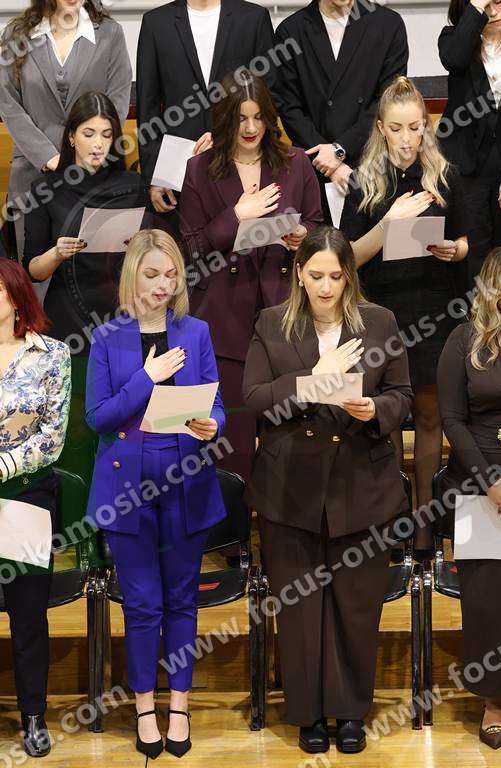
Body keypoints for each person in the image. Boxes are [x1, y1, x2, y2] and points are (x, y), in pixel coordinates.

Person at [242, 225, 412, 753]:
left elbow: (402, 395)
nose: (325, 287)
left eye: (336, 277)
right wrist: (315, 378)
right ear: (299, 274)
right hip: (290, 490)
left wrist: (375, 408)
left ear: (349, 278)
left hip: (362, 485)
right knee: (300, 611)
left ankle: (350, 712)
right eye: (316, 275)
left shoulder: (380, 321)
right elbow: (255, 398)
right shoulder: (271, 322)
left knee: (355, 608)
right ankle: (309, 714)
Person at [85, 228, 226, 761]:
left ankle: (179, 705)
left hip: (185, 478)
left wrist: (212, 424)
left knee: (181, 599)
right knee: (143, 603)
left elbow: (216, 404)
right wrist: (146, 378)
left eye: (171, 274)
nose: (163, 284)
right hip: (128, 486)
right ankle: (145, 706)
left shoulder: (197, 331)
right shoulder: (107, 337)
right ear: (133, 278)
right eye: (151, 274)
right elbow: (99, 417)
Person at [340, 75, 468, 551]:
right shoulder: (364, 181)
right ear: (380, 128)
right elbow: (346, 258)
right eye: (397, 129)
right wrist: (389, 222)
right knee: (389, 419)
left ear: (425, 126)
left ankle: (425, 530)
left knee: (431, 420)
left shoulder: (444, 175)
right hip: (384, 313)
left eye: (415, 128)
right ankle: (394, 526)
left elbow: (466, 241)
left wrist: (454, 250)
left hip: (435, 310)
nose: (407, 139)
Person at [180, 70, 323, 480]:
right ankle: (234, 521)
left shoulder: (296, 162)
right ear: (225, 119)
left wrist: (302, 237)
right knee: (233, 445)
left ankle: (285, 519)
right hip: (224, 320)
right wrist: (237, 215)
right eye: (241, 118)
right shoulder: (199, 169)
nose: (250, 127)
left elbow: (317, 225)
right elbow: (191, 249)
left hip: (284, 313)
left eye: (259, 117)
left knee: (291, 439)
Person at [437, 244, 501, 749]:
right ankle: (494, 700)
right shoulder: (463, 340)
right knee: (487, 602)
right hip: (477, 488)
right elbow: (452, 419)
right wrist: (491, 482)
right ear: (490, 287)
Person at [0, 259, 71, 758]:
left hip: (26, 496)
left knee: (28, 616)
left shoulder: (52, 355)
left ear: (15, 295)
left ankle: (33, 716)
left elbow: (52, 437)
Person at [0, 0, 131, 257]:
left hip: (93, 176)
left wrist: (88, 151)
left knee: (93, 267)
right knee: (34, 269)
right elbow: (7, 103)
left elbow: (118, 99)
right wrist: (48, 157)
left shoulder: (110, 33)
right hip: (32, 174)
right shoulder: (16, 35)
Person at [23, 91, 149, 356]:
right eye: (89, 134)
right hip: (66, 316)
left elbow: (151, 253)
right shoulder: (46, 189)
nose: (98, 144)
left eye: (106, 135)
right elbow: (32, 270)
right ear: (71, 136)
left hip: (122, 311)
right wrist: (56, 254)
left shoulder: (133, 185)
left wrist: (139, 247)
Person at [136, 0, 277, 235]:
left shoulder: (253, 18)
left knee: (244, 248)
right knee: (185, 251)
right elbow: (147, 105)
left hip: (243, 166)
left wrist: (224, 134)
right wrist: (155, 175)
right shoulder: (156, 23)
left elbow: (267, 95)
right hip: (176, 175)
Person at [273, 0, 408, 220]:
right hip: (315, 167)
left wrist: (341, 149)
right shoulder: (291, 31)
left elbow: (387, 100)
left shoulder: (388, 24)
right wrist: (329, 160)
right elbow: (289, 106)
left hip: (371, 164)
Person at [438, 0, 501, 287]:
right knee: (473, 256)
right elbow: (454, 58)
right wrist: (476, 9)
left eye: (497, 2)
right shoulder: (453, 39)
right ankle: (471, 316)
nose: (492, 12)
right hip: (466, 166)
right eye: (484, 4)